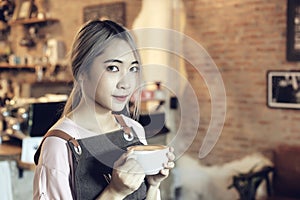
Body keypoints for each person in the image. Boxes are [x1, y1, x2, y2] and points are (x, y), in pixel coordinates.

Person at [33, 19, 175, 200]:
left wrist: (153, 185)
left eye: (133, 68)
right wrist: (115, 192)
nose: (126, 83)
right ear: (82, 72)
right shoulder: (59, 145)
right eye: (113, 68)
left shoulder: (134, 130)